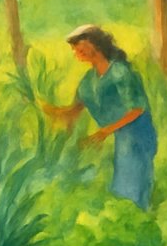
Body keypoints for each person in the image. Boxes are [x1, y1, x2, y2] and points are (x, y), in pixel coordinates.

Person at [52, 25, 158, 209]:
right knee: (119, 180)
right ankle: (128, 215)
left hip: (137, 131)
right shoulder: (88, 79)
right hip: (119, 134)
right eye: (74, 48)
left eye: (80, 46)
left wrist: (105, 132)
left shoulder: (120, 72)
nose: (76, 51)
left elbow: (137, 109)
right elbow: (76, 108)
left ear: (95, 45)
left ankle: (137, 215)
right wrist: (57, 113)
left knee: (131, 182)